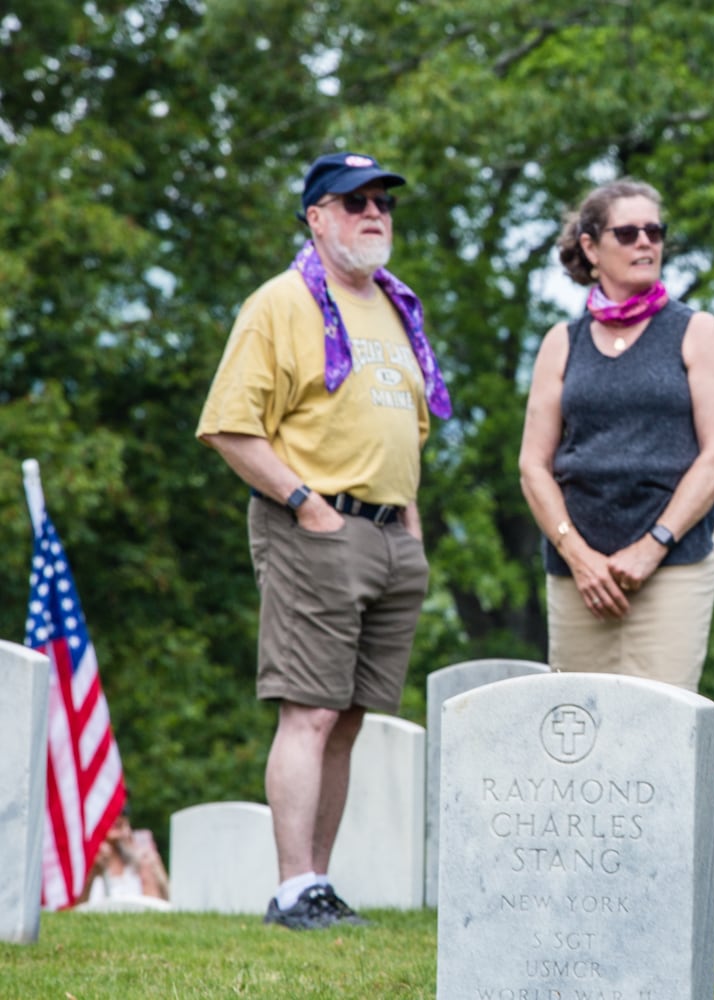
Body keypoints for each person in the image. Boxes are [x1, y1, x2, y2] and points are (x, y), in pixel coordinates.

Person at [197, 150, 450, 930]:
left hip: (388, 531)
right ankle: (288, 888)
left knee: (348, 716)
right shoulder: (279, 303)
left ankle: (318, 884)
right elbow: (230, 427)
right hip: (316, 526)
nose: (374, 213)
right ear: (316, 217)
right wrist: (306, 504)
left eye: (383, 202)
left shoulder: (392, 304)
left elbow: (410, 424)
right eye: (354, 202)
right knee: (307, 712)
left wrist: (407, 522)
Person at [518, 179, 714, 692]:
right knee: (577, 729)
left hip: (674, 564)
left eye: (655, 231)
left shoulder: (696, 331)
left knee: (661, 728)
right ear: (591, 247)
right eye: (628, 232)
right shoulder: (562, 342)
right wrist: (579, 557)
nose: (646, 242)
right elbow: (533, 466)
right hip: (579, 574)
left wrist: (653, 545)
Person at [77, 804, 169, 905]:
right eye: (107, 809)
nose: (116, 815)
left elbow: (155, 909)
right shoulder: (78, 865)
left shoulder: (142, 861)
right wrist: (92, 874)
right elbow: (72, 913)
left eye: (122, 810)